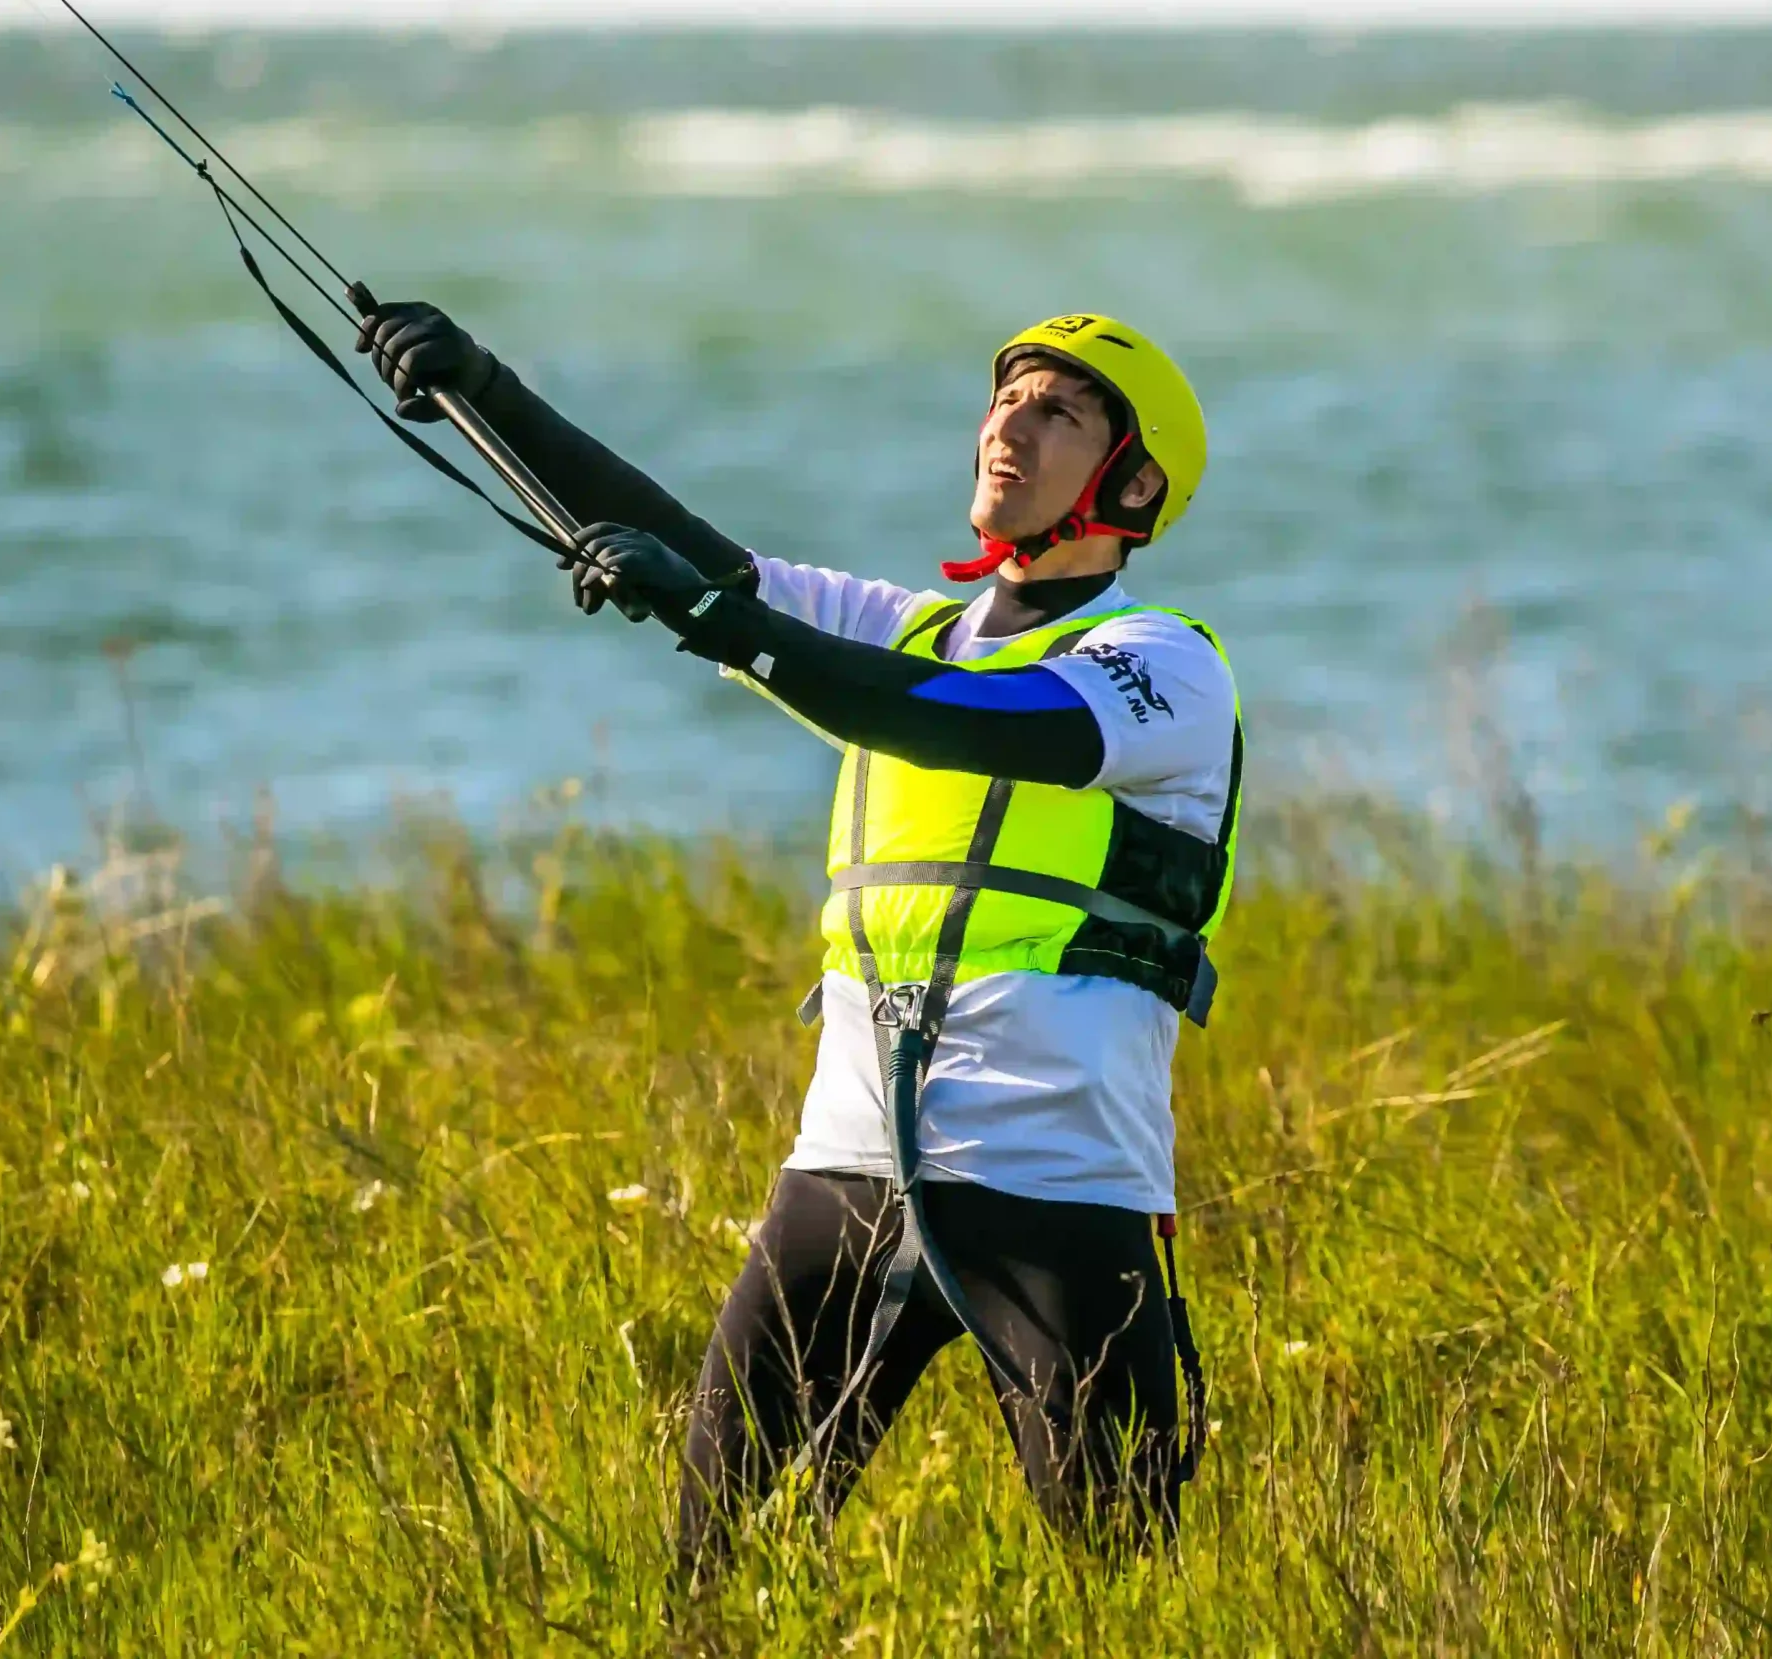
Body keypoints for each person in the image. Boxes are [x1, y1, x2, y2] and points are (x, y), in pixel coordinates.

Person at [356, 301, 1243, 1562]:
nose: (1012, 425)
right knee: (714, 1567)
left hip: (1057, 1177)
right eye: (1006, 398)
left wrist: (743, 637)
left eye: (1061, 412)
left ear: (1134, 481)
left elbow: (970, 721)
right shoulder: (900, 628)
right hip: (847, 1167)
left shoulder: (1161, 663)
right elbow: (698, 559)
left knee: (1125, 1585)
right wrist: (487, 388)